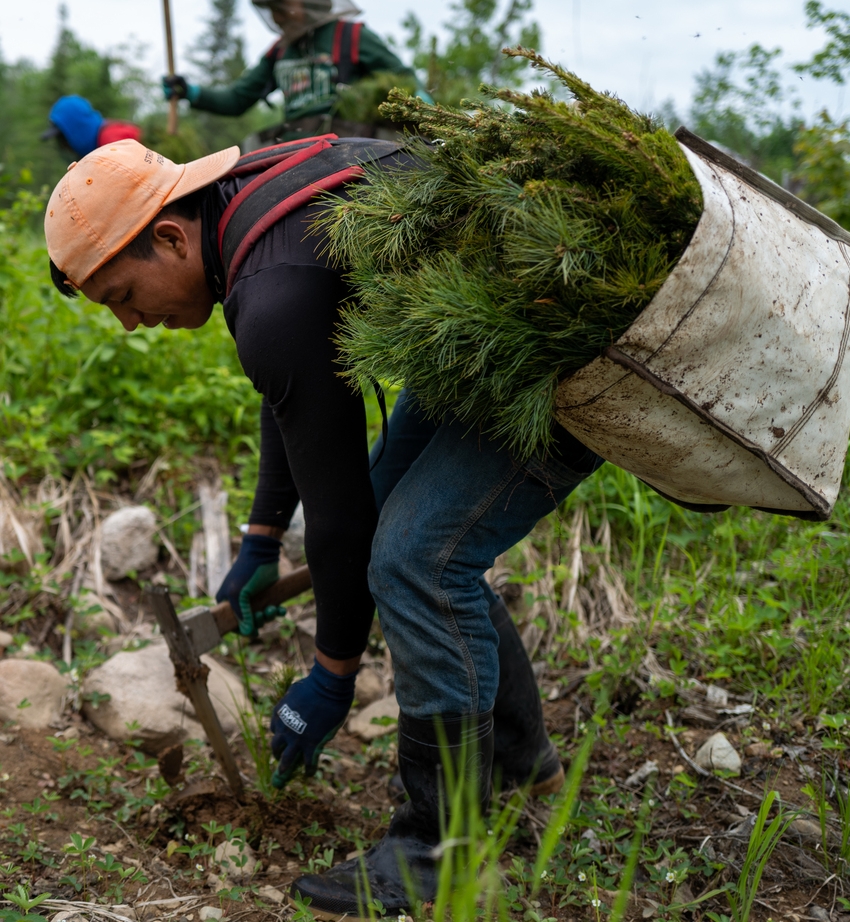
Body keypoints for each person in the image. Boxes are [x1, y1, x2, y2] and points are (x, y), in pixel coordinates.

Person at [44, 139, 603, 919]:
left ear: (170, 237)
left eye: (121, 294)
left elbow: (341, 519)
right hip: (484, 342)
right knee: (406, 531)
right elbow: (298, 389)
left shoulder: (271, 289)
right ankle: (518, 756)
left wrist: (333, 674)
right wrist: (260, 538)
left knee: (414, 559)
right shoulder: (247, 209)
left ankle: (437, 848)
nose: (132, 322)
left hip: (573, 352)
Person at [162, 0, 428, 142]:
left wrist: (423, 106)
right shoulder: (279, 50)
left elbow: (402, 79)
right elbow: (237, 100)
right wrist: (191, 92)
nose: (277, 16)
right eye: (271, 9)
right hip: (293, 149)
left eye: (282, 5)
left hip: (350, 146)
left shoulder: (352, 35)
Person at [42, 95, 142, 159]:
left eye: (63, 136)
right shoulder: (101, 142)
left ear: (77, 128)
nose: (63, 145)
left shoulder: (110, 140)